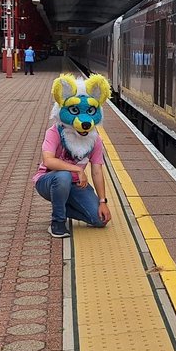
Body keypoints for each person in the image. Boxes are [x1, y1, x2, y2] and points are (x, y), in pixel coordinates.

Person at [33, 73, 113, 238]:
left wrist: (102, 202)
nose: (83, 120)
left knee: (99, 220)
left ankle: (61, 205)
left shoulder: (94, 139)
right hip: (48, 181)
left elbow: (97, 171)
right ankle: (57, 223)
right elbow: (48, 161)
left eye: (90, 111)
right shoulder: (55, 132)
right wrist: (77, 170)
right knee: (63, 176)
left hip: (77, 186)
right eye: (74, 110)